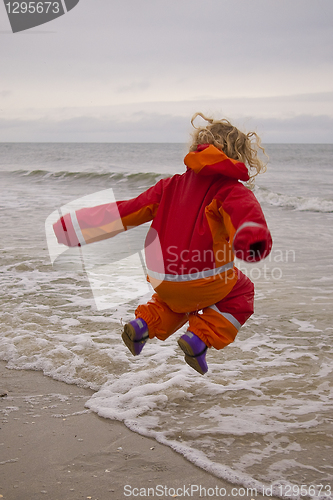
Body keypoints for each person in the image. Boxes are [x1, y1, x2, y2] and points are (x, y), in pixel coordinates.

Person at [53, 113, 272, 375]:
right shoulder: (231, 190)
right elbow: (246, 216)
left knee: (175, 300)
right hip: (205, 276)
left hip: (161, 277)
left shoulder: (169, 186)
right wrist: (251, 241)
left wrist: (77, 227)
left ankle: (143, 325)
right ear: (238, 154)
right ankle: (199, 338)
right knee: (241, 292)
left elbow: (126, 212)